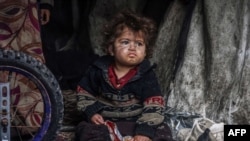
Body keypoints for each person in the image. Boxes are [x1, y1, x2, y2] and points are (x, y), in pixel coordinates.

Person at [75, 9, 174, 141]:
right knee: (85, 129)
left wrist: (144, 131)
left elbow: (154, 105)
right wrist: (92, 112)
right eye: (125, 42)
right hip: (105, 122)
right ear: (111, 48)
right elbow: (84, 94)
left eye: (139, 44)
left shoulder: (146, 75)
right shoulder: (98, 70)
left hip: (135, 122)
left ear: (145, 52)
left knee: (163, 131)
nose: (133, 48)